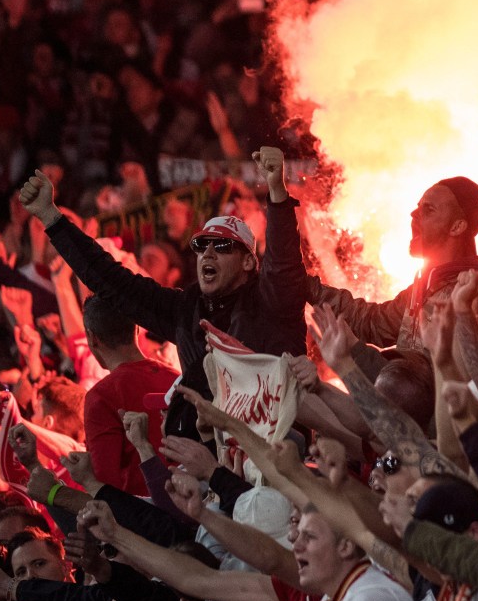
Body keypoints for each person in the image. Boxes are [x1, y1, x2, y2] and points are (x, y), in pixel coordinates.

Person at [18, 147, 308, 440]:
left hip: (280, 456)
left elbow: (283, 263)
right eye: (201, 246)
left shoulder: (272, 301)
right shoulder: (185, 309)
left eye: (221, 246)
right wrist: (51, 218)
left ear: (248, 262)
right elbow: (110, 279)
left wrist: (277, 195)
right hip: (215, 464)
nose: (207, 253)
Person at [77, 498, 413, 601]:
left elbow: (269, 558)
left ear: (345, 546)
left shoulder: (369, 597)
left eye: (309, 535)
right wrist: (115, 535)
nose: (295, 542)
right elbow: (198, 579)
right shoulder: (320, 596)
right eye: (294, 529)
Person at [306, 177, 478, 352]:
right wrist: (306, 286)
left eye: (428, 209)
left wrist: (357, 359)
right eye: (418, 207)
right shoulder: (422, 289)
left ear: (457, 226)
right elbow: (370, 322)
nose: (413, 214)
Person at [81, 295, 178, 495]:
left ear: (92, 338)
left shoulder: (100, 398)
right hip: (197, 502)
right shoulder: (176, 379)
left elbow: (105, 487)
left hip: (146, 515)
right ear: (137, 328)